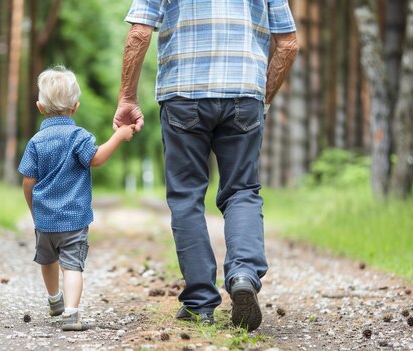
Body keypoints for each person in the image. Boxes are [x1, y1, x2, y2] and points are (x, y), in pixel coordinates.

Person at [114, 0, 299, 331]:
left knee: (186, 196)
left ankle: (200, 303)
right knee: (241, 189)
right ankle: (243, 274)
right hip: (244, 92)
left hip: (183, 94)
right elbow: (288, 43)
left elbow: (140, 31)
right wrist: (263, 97)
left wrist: (127, 98)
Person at [19, 66, 135, 331]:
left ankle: (54, 299)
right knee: (72, 267)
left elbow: (28, 181)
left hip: (45, 220)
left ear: (40, 107)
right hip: (74, 219)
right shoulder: (78, 136)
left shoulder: (36, 142)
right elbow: (96, 159)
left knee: (47, 260)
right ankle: (70, 313)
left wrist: (34, 210)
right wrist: (118, 136)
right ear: (76, 106)